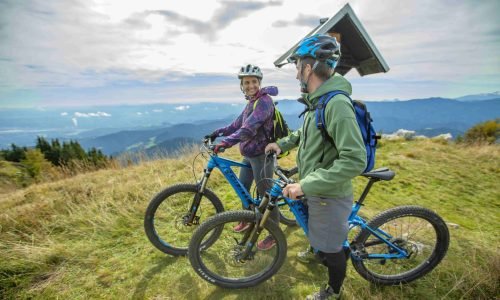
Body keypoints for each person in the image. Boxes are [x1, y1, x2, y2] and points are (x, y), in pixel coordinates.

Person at [265, 35, 367, 299]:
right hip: (316, 188)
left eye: (298, 65)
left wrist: (305, 184)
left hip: (329, 194)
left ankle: (332, 291)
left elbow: (355, 159)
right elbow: (305, 133)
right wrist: (283, 144)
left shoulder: (336, 104)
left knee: (331, 250)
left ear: (308, 68)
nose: (296, 72)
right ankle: (316, 247)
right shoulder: (317, 102)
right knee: (317, 235)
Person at [205, 64, 280, 251]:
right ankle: (247, 220)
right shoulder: (251, 102)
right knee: (243, 188)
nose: (250, 85)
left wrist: (225, 143)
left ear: (259, 82)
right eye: (246, 82)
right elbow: (236, 124)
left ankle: (275, 233)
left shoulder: (264, 101)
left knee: (266, 195)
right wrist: (217, 133)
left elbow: (248, 129)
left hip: (262, 156)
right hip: (248, 154)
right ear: (242, 85)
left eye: (254, 81)